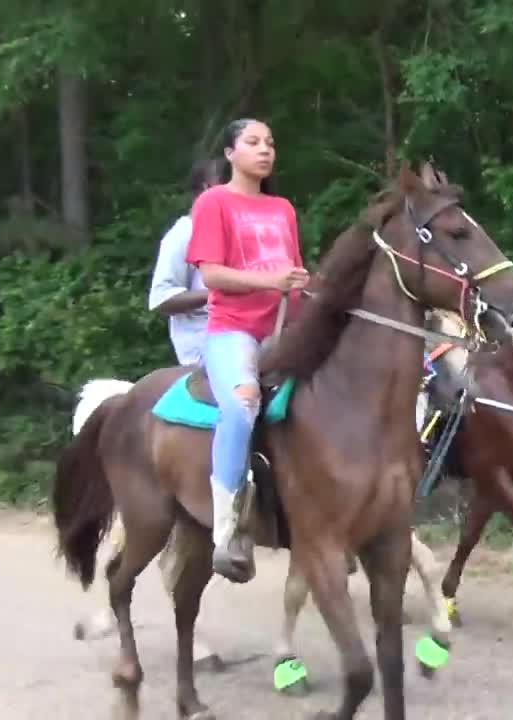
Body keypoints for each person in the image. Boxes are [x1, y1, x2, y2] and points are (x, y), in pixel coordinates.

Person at [186, 117, 309, 579]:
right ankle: (227, 530)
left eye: (270, 143)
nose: (265, 150)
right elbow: (212, 275)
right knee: (241, 406)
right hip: (233, 329)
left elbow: (292, 272)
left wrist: (306, 287)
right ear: (230, 153)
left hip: (286, 327)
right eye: (253, 142)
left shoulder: (283, 208)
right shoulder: (213, 202)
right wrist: (271, 280)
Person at [148, 159, 222, 365]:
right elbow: (161, 299)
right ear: (208, 187)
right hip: (205, 347)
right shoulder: (184, 233)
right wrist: (220, 292)